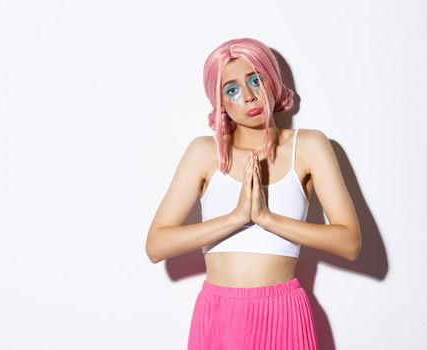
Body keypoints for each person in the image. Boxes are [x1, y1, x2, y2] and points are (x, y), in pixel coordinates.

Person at [145, 38, 361, 350]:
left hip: (283, 311)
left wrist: (266, 218)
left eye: (255, 80)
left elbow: (350, 242)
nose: (247, 96)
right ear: (220, 102)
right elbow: (156, 246)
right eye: (231, 89)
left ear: (272, 81)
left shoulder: (310, 146)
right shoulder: (203, 152)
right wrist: (236, 218)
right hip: (218, 314)